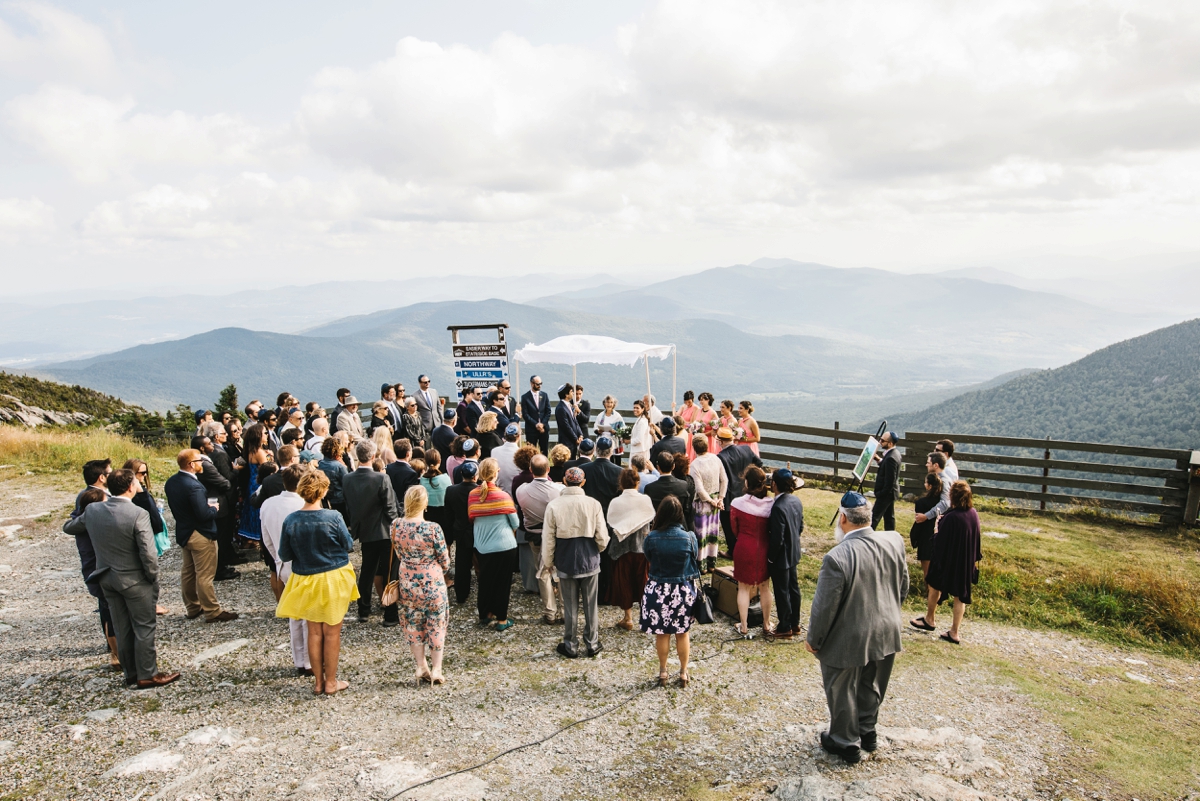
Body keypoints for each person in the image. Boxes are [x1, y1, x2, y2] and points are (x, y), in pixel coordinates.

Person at [807, 491, 909, 764]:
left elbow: (824, 608)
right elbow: (903, 587)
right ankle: (868, 731)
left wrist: (814, 639)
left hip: (849, 635)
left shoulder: (837, 557)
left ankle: (845, 741)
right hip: (888, 628)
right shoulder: (894, 540)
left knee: (841, 688)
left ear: (843, 519)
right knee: (873, 684)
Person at [64, 469, 179, 689]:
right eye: (137, 481)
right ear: (129, 487)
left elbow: (69, 527)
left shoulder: (93, 511)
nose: (139, 484)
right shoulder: (137, 513)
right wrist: (153, 577)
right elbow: (147, 551)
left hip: (106, 577)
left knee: (122, 626)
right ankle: (147, 674)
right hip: (135, 579)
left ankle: (131, 673)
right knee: (144, 626)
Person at [276, 470, 360, 696]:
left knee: (313, 632)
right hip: (333, 576)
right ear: (323, 491)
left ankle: (318, 682)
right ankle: (331, 682)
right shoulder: (334, 517)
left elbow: (284, 554)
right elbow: (349, 544)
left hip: (305, 578)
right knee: (332, 632)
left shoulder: (291, 520)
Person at [542, 467, 609, 658]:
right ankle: (592, 643)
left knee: (570, 606)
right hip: (589, 556)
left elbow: (548, 537)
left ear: (564, 480)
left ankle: (570, 644)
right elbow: (602, 536)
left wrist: (548, 561)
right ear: (583, 482)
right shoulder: (593, 504)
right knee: (590, 604)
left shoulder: (554, 505)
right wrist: (599, 549)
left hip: (566, 558)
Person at [164, 449, 237, 623]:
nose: (202, 464)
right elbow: (203, 514)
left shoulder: (171, 482)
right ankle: (212, 610)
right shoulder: (194, 486)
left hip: (184, 532)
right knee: (205, 574)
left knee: (188, 572)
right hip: (201, 534)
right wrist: (213, 509)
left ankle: (192, 607)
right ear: (191, 464)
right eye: (199, 461)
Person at [392, 485, 451, 684]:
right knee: (436, 624)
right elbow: (445, 560)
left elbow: (399, 554)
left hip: (407, 581)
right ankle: (436, 669)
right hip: (432, 581)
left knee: (412, 622)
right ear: (424, 504)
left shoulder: (396, 525)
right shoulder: (432, 528)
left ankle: (420, 666)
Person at [641, 496, 699, 687]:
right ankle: (683, 672)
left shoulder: (651, 537)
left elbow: (649, 558)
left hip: (658, 588)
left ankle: (663, 671)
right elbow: (695, 557)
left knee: (662, 633)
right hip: (682, 589)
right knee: (682, 633)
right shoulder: (690, 537)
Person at [913, 481, 982, 645]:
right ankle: (954, 632)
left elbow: (939, 541)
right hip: (965, 562)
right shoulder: (973, 514)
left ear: (953, 497)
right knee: (960, 596)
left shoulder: (951, 517)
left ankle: (930, 619)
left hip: (948, 562)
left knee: (934, 585)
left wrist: (937, 527)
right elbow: (976, 537)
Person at [342, 440, 401, 626]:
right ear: (374, 456)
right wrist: (397, 525)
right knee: (390, 571)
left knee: (367, 570)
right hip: (384, 531)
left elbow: (348, 505)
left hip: (365, 530)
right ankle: (390, 614)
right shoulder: (381, 478)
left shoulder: (347, 478)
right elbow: (391, 508)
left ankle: (363, 610)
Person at [260, 465, 310, 675]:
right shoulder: (303, 505)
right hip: (303, 564)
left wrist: (278, 561)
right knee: (308, 614)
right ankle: (308, 660)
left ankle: (300, 658)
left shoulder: (268, 504)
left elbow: (267, 539)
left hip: (282, 564)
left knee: (295, 614)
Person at [66, 485, 121, 668]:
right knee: (109, 613)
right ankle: (116, 655)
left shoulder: (80, 521)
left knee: (106, 611)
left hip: (95, 571)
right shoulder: (90, 523)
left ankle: (116, 651)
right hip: (99, 571)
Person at [468, 459, 520, 632]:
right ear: (496, 473)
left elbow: (472, 517)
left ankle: (486, 613)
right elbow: (515, 522)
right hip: (504, 545)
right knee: (502, 583)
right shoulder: (503, 496)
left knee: (485, 580)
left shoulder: (473, 495)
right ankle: (502, 619)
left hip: (482, 545)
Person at [515, 454, 563, 624]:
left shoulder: (521, 490)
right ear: (548, 469)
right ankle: (564, 610)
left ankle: (550, 612)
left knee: (542, 572)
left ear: (530, 470)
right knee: (559, 571)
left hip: (534, 535)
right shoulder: (558, 490)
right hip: (555, 535)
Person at [605, 468, 654, 632]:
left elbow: (610, 522)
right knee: (644, 583)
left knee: (624, 581)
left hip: (622, 548)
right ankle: (646, 618)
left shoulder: (616, 502)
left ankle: (628, 618)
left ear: (621, 483)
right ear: (638, 483)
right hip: (641, 547)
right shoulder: (645, 500)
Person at [730, 466, 774, 637]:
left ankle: (744, 625)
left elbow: (734, 528)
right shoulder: (771, 504)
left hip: (744, 546)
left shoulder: (738, 503)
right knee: (765, 587)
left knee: (743, 588)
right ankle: (766, 623)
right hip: (764, 546)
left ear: (747, 482)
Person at [123, 459, 169, 614]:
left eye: (145, 473)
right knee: (147, 569)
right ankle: (150, 604)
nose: (143, 476)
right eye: (141, 473)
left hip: (151, 530)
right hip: (143, 534)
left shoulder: (142, 489)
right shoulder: (135, 494)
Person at [191, 435, 237, 581]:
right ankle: (219, 569)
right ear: (202, 448)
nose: (212, 445)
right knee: (220, 537)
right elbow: (224, 483)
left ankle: (222, 564)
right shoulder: (205, 464)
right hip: (217, 501)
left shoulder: (206, 461)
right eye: (209, 443)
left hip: (214, 498)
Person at [767, 469, 804, 640]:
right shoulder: (796, 501)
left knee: (782, 591)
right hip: (794, 551)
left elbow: (777, 538)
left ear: (774, 484)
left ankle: (784, 626)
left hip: (781, 556)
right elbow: (800, 526)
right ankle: (795, 623)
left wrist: (770, 557)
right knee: (793, 589)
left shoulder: (778, 507)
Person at [717, 426, 763, 556]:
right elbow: (759, 463)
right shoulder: (746, 449)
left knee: (728, 524)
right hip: (747, 491)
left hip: (730, 495)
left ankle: (733, 550)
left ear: (720, 441)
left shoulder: (721, 457)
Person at [689, 436, 727, 573]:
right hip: (716, 501)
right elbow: (724, 480)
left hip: (703, 504)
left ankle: (702, 565)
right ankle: (711, 563)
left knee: (702, 534)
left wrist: (712, 501)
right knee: (712, 532)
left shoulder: (694, 464)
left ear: (694, 448)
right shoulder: (716, 458)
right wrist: (720, 499)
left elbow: (699, 489)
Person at [444, 460, 478, 604]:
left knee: (461, 564)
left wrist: (449, 536)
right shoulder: (479, 490)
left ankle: (461, 594)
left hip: (460, 530)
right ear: (475, 476)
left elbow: (448, 515)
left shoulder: (451, 490)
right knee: (480, 562)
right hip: (477, 530)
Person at [645, 452, 696, 533]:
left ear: (658, 467)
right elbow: (686, 508)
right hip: (680, 527)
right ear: (673, 466)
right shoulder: (683, 485)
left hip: (658, 528)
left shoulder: (650, 488)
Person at [238, 423, 270, 543]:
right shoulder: (259, 452)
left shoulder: (251, 450)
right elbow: (267, 468)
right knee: (259, 510)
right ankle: (260, 537)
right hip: (258, 482)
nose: (266, 435)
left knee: (251, 508)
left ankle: (250, 538)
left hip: (251, 481)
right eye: (264, 433)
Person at [909, 473, 942, 578]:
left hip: (925, 538)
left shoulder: (921, 503)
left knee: (927, 573)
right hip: (939, 537)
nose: (924, 484)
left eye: (926, 482)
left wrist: (914, 537)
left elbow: (918, 523)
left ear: (930, 486)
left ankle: (928, 592)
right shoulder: (942, 503)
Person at [871, 431, 902, 531]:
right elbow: (887, 468)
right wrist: (878, 459)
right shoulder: (894, 453)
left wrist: (881, 493)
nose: (880, 442)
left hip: (886, 493)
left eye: (883, 440)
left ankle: (864, 538)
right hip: (891, 493)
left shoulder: (891, 458)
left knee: (874, 517)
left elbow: (890, 480)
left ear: (890, 443)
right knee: (889, 518)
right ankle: (891, 535)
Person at [419, 448, 453, 538]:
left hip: (428, 515)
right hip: (444, 515)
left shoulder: (421, 480)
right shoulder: (446, 478)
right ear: (439, 461)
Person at [913, 452, 952, 526]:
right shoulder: (937, 479)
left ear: (936, 465)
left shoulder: (944, 481)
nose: (926, 465)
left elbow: (945, 503)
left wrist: (926, 516)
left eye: (928, 463)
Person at [318, 438, 349, 517]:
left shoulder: (320, 464)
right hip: (340, 499)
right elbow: (347, 483)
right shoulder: (339, 467)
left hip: (327, 498)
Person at [521, 375, 551, 455]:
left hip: (543, 429)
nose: (539, 386)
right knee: (530, 452)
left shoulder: (544, 395)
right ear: (532, 383)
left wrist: (542, 424)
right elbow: (525, 414)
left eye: (541, 383)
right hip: (531, 429)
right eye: (538, 384)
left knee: (544, 451)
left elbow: (548, 411)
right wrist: (536, 424)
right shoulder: (525, 397)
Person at [387, 438, 422, 506]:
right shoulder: (411, 473)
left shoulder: (388, 468)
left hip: (390, 505)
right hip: (404, 508)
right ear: (408, 454)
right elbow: (411, 497)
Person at [555, 382, 583, 458]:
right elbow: (565, 426)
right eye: (571, 392)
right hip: (567, 442)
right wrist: (575, 439)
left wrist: (580, 434)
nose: (573, 393)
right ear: (566, 394)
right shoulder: (561, 408)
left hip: (573, 442)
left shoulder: (569, 405)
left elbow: (575, 421)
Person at [494, 424, 522, 492]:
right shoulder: (521, 453)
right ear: (519, 436)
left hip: (499, 492)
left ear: (505, 435)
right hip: (517, 494)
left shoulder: (494, 451)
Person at [677, 391, 700, 460]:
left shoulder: (696, 408)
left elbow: (692, 421)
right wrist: (674, 407)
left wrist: (682, 422)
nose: (688, 404)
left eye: (689, 402)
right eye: (686, 402)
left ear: (693, 399)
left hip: (689, 431)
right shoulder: (683, 406)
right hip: (681, 430)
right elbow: (677, 416)